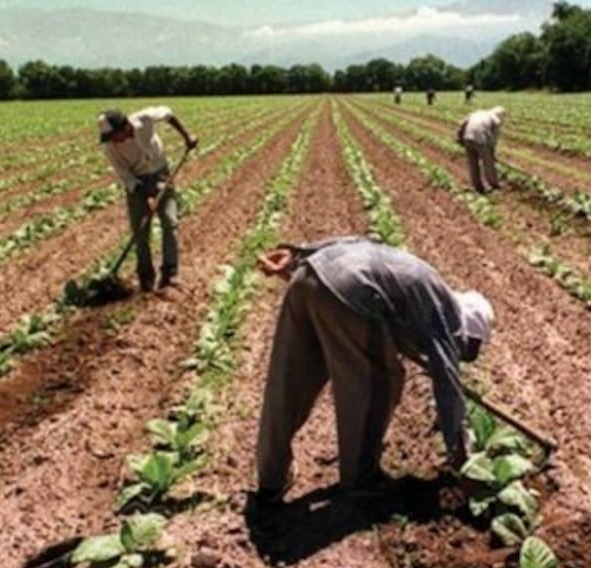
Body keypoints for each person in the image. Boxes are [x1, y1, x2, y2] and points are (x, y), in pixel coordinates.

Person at [253, 236, 494, 502]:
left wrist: (299, 256)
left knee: (290, 381)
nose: (463, 355)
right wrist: (463, 458)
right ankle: (361, 478)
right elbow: (448, 383)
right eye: (468, 349)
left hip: (308, 276)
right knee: (380, 383)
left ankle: (271, 477)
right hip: (350, 291)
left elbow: (360, 242)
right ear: (468, 331)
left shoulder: (424, 284)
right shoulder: (445, 314)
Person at [98, 106, 197, 291]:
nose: (113, 141)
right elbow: (124, 175)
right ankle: (146, 277)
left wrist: (187, 136)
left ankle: (170, 273)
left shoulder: (144, 119)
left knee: (170, 222)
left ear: (125, 126)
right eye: (109, 138)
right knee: (140, 231)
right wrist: (144, 191)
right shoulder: (110, 147)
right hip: (136, 183)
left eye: (114, 136)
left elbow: (168, 114)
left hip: (161, 174)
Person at [456, 106, 506, 194]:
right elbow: (493, 139)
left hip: (468, 137)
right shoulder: (496, 120)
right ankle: (493, 184)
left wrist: (459, 137)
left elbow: (462, 123)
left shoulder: (476, 113)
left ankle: (476, 185)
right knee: (488, 163)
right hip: (481, 139)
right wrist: (492, 153)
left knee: (472, 163)